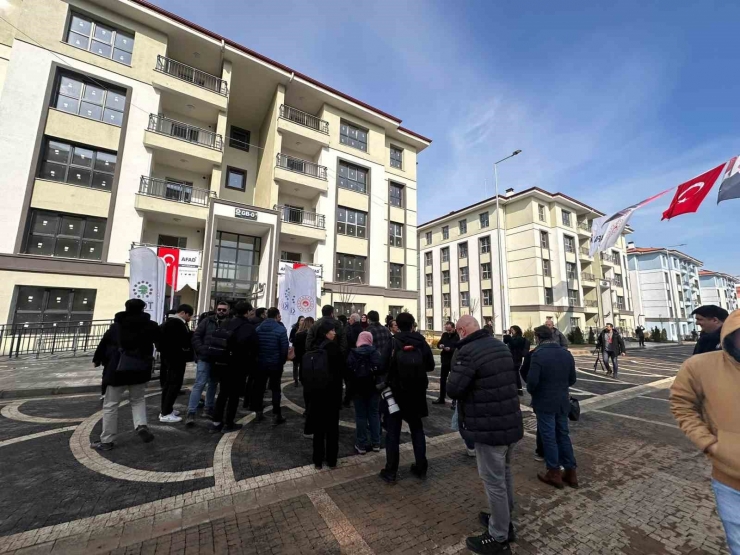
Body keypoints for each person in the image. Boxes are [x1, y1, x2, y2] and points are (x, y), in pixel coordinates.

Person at [446, 315, 523, 554]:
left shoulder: (468, 351)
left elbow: (453, 389)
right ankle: (503, 520)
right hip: (509, 422)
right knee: (505, 474)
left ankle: (498, 536)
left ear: (461, 330)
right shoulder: (500, 346)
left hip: (488, 426)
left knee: (493, 482)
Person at [670, 309, 740, 554]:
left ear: (717, 322)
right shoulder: (702, 363)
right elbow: (681, 403)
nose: (697, 324)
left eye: (701, 320)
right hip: (731, 479)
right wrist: (709, 443)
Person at [90, 299, 159, 451]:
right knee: (138, 400)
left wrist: (97, 359)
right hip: (140, 369)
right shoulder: (151, 325)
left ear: (126, 308)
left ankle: (107, 440)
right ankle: (141, 425)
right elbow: (160, 343)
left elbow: (104, 343)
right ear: (143, 308)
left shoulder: (117, 325)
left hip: (117, 370)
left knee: (110, 405)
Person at [379, 312, 435, 484]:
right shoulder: (421, 342)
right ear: (412, 325)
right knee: (417, 429)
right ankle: (421, 467)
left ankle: (391, 472)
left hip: (396, 393)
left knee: (393, 433)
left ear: (397, 325)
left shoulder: (393, 341)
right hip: (417, 392)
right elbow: (431, 366)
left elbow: (382, 365)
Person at [527, 325, 578, 490]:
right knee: (563, 435)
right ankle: (571, 471)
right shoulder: (566, 354)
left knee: (548, 436)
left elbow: (532, 382)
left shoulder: (538, 355)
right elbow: (572, 379)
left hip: (544, 402)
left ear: (538, 337)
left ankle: (554, 471)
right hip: (562, 401)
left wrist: (537, 390)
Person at [210, 302, 258, 433]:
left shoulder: (226, 322)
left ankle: (216, 422)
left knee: (222, 394)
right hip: (238, 366)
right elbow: (253, 349)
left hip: (222, 363)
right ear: (247, 312)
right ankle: (229, 423)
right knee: (234, 396)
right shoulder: (248, 327)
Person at [306, 320, 345, 468]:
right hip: (332, 393)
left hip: (316, 393)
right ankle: (331, 459)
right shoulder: (333, 348)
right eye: (332, 331)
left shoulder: (313, 347)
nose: (334, 333)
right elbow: (341, 369)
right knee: (332, 428)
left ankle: (317, 460)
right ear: (325, 333)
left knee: (318, 428)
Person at [187, 300, 231, 426]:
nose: (221, 312)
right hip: (205, 357)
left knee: (213, 384)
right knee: (199, 384)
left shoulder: (229, 323)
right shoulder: (207, 321)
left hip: (219, 359)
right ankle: (191, 412)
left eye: (224, 310)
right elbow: (196, 337)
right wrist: (202, 350)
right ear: (216, 310)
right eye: (219, 309)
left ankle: (208, 408)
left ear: (228, 310)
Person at [347, 331, 382, 454]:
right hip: (373, 388)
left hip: (357, 388)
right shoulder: (375, 353)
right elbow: (380, 371)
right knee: (374, 414)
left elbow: (348, 372)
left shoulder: (353, 353)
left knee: (360, 416)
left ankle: (361, 444)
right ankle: (376, 442)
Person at [158, 304, 194, 423]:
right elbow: (182, 340)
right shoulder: (176, 324)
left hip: (170, 358)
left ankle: (167, 409)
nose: (190, 318)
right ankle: (166, 412)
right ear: (184, 313)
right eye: (189, 316)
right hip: (175, 358)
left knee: (170, 384)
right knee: (173, 385)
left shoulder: (169, 323)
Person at [254, 307, 289, 424]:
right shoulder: (280, 329)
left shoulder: (259, 328)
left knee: (259, 388)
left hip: (261, 363)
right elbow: (284, 349)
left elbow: (256, 345)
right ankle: (276, 414)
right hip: (275, 363)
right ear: (277, 315)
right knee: (275, 389)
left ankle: (258, 412)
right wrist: (282, 361)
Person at [433, 321, 459, 405]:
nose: (448, 332)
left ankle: (455, 400)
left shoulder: (457, 335)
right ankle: (441, 398)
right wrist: (440, 345)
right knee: (443, 379)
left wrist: (450, 349)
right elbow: (439, 343)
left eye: (449, 330)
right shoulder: (444, 335)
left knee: (455, 380)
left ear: (453, 328)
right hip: (445, 360)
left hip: (453, 360)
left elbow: (459, 347)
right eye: (447, 330)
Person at [507, 326, 529, 396]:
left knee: (515, 373)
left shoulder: (519, 338)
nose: (511, 331)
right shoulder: (513, 338)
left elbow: (514, 345)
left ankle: (519, 389)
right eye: (511, 330)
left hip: (516, 358)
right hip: (513, 358)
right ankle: (517, 389)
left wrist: (508, 336)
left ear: (516, 330)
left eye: (512, 330)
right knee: (514, 373)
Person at [159, 308, 179, 389]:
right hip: (173, 351)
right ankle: (169, 386)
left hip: (164, 350)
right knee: (171, 370)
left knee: (164, 368)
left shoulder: (162, 325)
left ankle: (164, 385)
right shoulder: (177, 326)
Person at [289, 316, 305, 386]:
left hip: (303, 349)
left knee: (302, 365)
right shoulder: (294, 329)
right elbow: (290, 339)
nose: (303, 321)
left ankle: (301, 379)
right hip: (296, 349)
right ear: (298, 321)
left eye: (304, 320)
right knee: (295, 365)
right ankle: (295, 379)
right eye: (301, 320)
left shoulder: (305, 329)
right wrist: (296, 337)